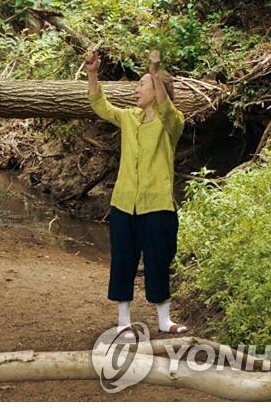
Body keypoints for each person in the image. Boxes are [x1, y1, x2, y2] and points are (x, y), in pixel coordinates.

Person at [85, 49, 188, 335]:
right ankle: (123, 322)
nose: (136, 89)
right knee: (123, 260)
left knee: (158, 261)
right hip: (123, 204)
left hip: (157, 206)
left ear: (157, 90)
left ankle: (165, 321)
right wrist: (93, 73)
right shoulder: (129, 117)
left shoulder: (172, 123)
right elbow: (100, 105)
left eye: (142, 84)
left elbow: (167, 110)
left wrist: (154, 72)